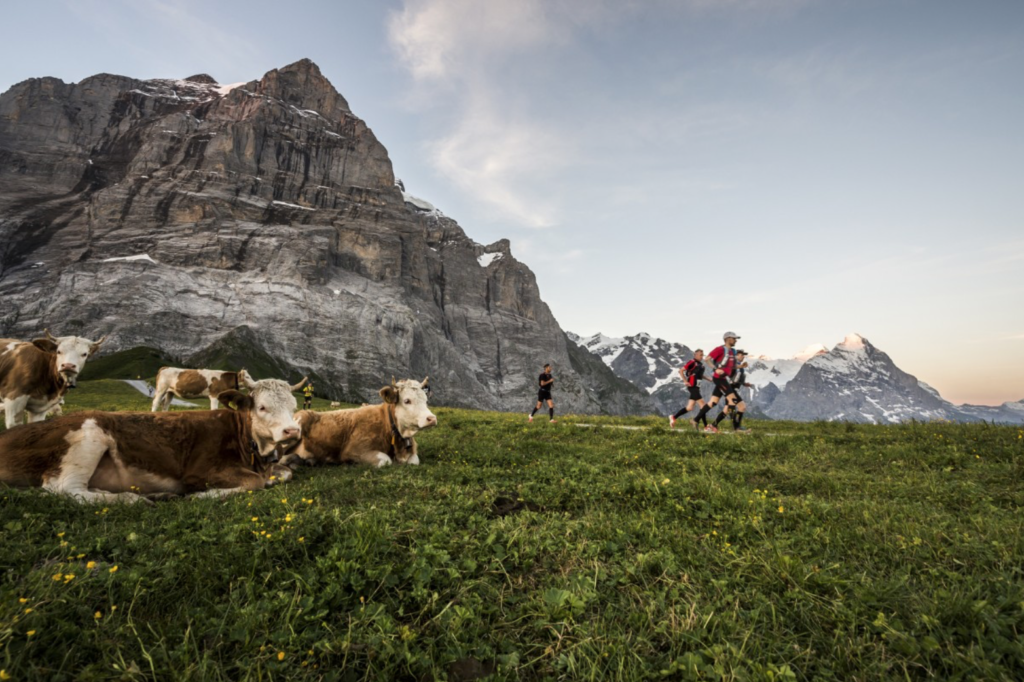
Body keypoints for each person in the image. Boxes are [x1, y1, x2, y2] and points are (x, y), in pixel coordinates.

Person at [694, 331, 741, 433]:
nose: (736, 340)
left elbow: (731, 366)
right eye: (734, 338)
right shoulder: (719, 349)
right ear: (728, 339)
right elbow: (707, 359)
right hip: (719, 378)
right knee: (733, 401)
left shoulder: (733, 351)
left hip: (725, 379)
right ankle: (736, 428)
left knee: (713, 402)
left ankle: (696, 420)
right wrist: (716, 369)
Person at [669, 349, 710, 430]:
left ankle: (673, 417)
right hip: (692, 386)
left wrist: (709, 379)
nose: (702, 356)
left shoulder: (701, 365)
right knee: (703, 405)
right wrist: (685, 381)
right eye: (700, 355)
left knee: (689, 408)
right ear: (695, 355)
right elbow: (681, 370)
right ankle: (706, 426)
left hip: (697, 387)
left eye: (703, 354)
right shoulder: (692, 362)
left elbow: (700, 375)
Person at [712, 349, 752, 432]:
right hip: (729, 388)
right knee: (741, 406)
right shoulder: (732, 365)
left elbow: (737, 379)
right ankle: (737, 428)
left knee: (726, 409)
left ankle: (714, 425)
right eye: (741, 354)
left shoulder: (741, 367)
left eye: (743, 355)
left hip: (733, 388)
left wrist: (744, 383)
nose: (743, 356)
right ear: (736, 356)